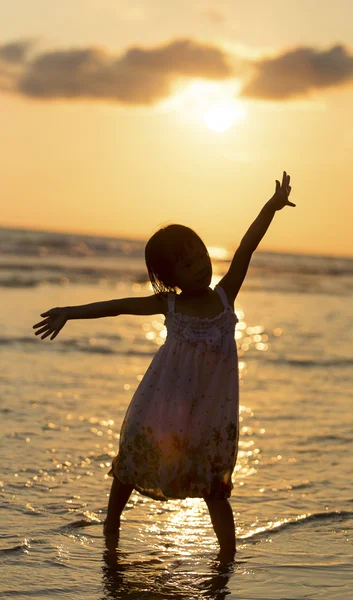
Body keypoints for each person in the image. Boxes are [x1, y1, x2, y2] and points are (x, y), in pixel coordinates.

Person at [33, 171, 294, 562]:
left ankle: (227, 555)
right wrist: (71, 311)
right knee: (132, 463)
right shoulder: (168, 304)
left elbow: (246, 247)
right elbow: (117, 306)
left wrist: (270, 208)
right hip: (163, 402)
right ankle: (112, 523)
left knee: (214, 483)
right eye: (187, 266)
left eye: (201, 256)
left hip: (209, 411)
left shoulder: (226, 295)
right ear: (170, 278)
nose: (200, 266)